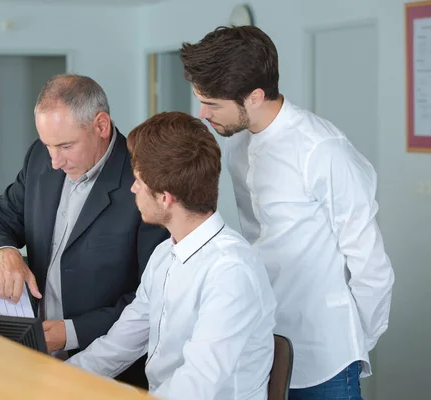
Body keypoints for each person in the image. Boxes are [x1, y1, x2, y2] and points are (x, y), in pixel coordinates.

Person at [180, 25, 395, 399]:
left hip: (325, 359)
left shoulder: (323, 150)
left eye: (212, 103)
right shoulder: (236, 142)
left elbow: (372, 267)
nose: (202, 114)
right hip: (263, 345)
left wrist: (354, 340)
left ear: (254, 96)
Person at [0, 74, 168, 388]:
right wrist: (4, 253)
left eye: (65, 146)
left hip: (111, 370)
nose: (54, 161)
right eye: (49, 145)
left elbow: (152, 297)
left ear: (101, 126)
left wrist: (72, 331)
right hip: (35, 356)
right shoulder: (40, 158)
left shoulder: (143, 181)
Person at [66, 112, 277, 400]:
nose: (133, 188)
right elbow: (120, 343)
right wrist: (57, 379)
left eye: (139, 180)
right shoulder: (165, 254)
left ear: (165, 197)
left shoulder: (230, 271)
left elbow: (196, 385)